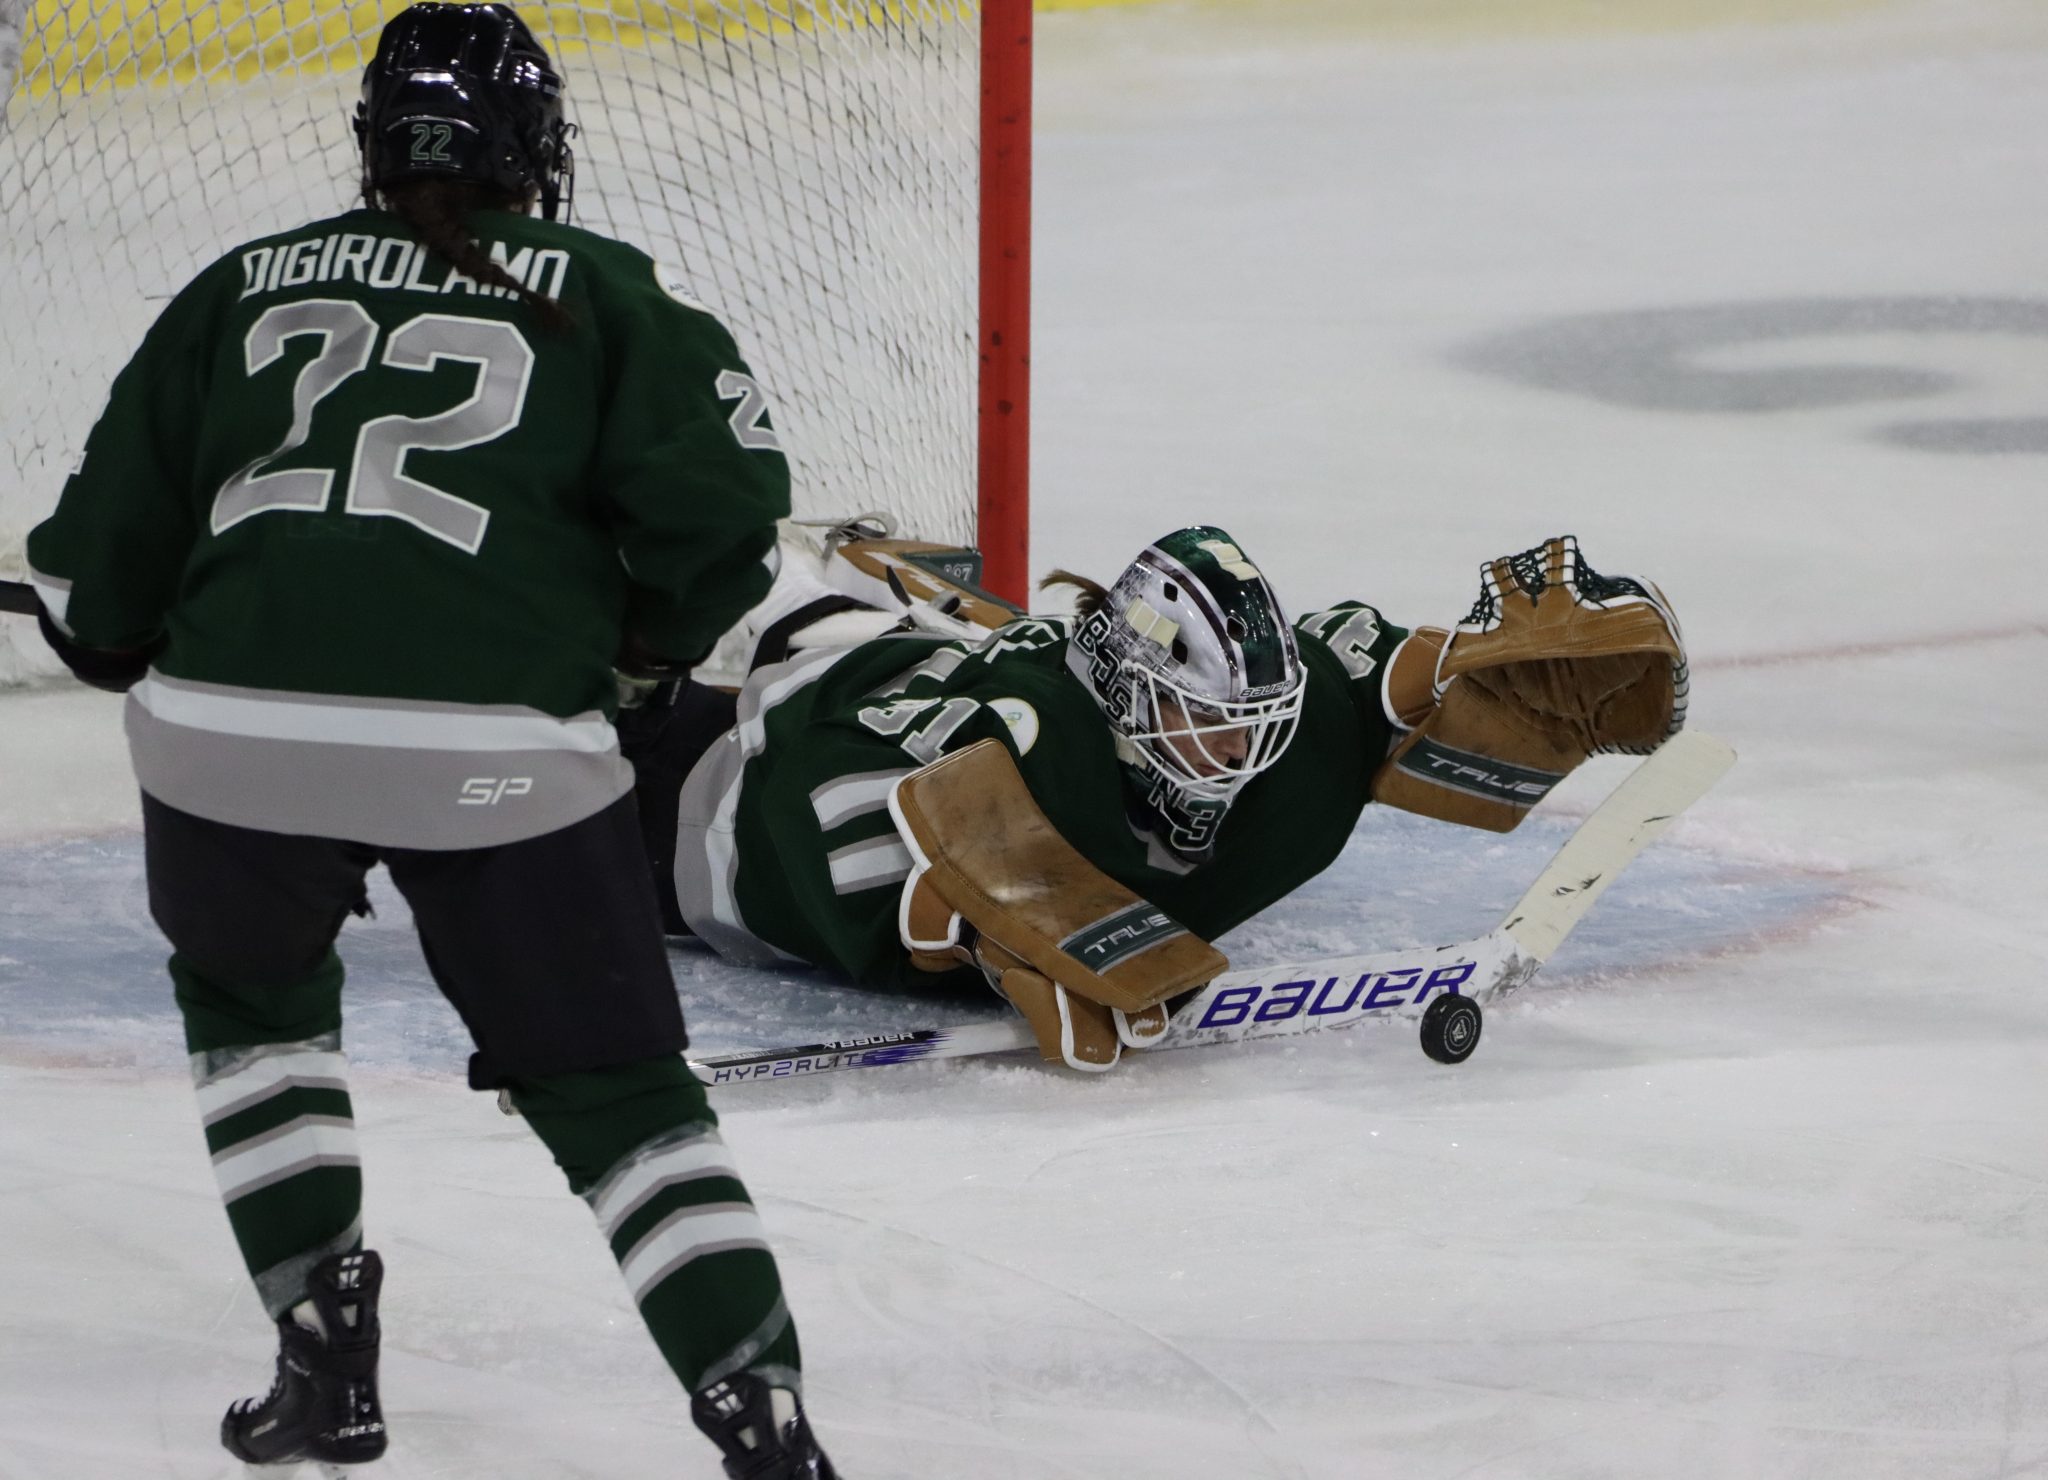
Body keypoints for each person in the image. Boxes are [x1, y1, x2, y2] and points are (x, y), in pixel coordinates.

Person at [23, 6, 839, 1475]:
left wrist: (106, 636)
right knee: (615, 1090)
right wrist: (645, 648)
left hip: (226, 740)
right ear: (538, 153)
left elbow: (96, 582)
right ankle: (755, 1408)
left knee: (254, 1017)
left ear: (373, 144)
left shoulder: (237, 285)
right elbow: (723, 530)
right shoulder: (609, 294)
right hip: (500, 756)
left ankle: (322, 1356)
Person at [625, 522, 1689, 1070]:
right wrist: (981, 902)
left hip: (912, 654)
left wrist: (1449, 655)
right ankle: (804, 578)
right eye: (1208, 721)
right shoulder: (1013, 758)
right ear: (1125, 691)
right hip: (753, 756)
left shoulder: (1275, 735)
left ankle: (861, 583)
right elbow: (826, 818)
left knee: (860, 629)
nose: (1235, 753)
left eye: (1254, 722)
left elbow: (1356, 677)